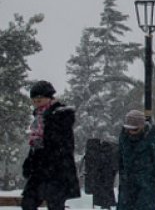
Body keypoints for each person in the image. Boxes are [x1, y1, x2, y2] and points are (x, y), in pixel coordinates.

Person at [21, 81, 80, 210]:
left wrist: (52, 157)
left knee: (55, 204)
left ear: (49, 98)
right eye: (34, 100)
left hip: (57, 170)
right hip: (40, 170)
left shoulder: (60, 115)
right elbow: (36, 145)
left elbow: (63, 143)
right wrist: (29, 161)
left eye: (39, 99)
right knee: (28, 202)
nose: (36, 103)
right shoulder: (38, 118)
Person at [117, 110, 155, 210]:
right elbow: (120, 164)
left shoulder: (154, 143)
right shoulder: (123, 140)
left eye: (134, 129)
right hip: (127, 190)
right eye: (129, 129)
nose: (131, 132)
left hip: (148, 190)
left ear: (142, 126)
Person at [84, 137, 119, 209]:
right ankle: (106, 204)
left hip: (100, 176)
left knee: (102, 186)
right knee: (106, 186)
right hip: (107, 173)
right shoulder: (109, 152)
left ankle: (104, 204)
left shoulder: (94, 154)